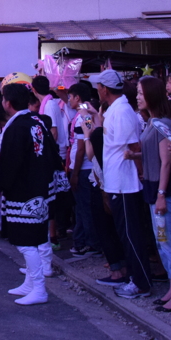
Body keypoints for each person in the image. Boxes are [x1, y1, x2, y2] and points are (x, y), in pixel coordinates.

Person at [93, 69, 153, 300]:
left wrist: (140, 174)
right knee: (125, 233)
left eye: (98, 86)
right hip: (117, 182)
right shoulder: (114, 110)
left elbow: (134, 147)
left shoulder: (123, 111)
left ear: (105, 89)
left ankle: (141, 282)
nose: (97, 90)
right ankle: (135, 278)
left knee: (131, 234)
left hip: (126, 184)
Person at [0, 83, 60, 306]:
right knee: (35, 236)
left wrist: (1, 184)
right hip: (41, 186)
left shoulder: (17, 127)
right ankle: (30, 283)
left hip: (24, 189)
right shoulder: (37, 122)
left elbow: (10, 161)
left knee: (26, 240)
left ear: (8, 103)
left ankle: (39, 288)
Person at [132, 76, 171, 312]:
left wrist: (162, 194)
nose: (138, 97)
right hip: (154, 188)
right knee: (162, 240)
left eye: (141, 93)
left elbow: (167, 162)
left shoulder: (163, 123)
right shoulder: (152, 122)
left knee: (169, 241)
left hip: (163, 190)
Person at [66, 82, 101, 258]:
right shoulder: (85, 113)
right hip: (83, 168)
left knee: (85, 208)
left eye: (70, 97)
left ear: (78, 98)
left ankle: (91, 243)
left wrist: (76, 173)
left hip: (84, 169)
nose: (68, 100)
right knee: (81, 208)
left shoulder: (83, 116)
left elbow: (82, 146)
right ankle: (81, 242)